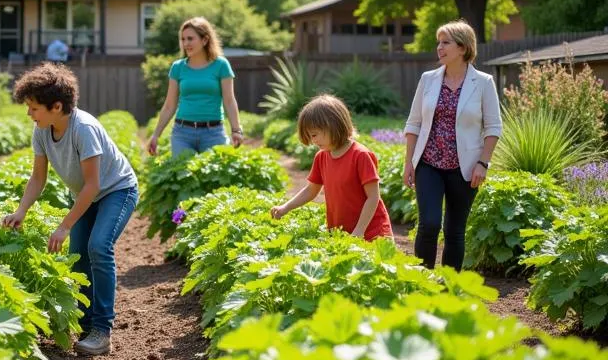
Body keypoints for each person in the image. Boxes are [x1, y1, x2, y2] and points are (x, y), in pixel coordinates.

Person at [0, 63, 138, 357]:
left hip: (117, 190)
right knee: (78, 257)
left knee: (99, 247)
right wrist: (20, 210)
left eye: (34, 108)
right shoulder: (42, 130)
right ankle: (87, 328)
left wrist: (64, 225)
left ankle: (102, 330)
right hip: (87, 195)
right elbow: (38, 177)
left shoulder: (83, 129)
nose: (29, 114)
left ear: (57, 106)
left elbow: (93, 185)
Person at [403, 20, 502, 270]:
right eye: (439, 42)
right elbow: (413, 124)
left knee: (454, 231)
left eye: (445, 42)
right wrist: (409, 163)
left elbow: (493, 128)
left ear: (463, 47)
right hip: (429, 164)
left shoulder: (483, 82)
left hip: (465, 168)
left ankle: (450, 290)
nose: (439, 47)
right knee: (429, 224)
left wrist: (483, 162)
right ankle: (422, 284)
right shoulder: (428, 79)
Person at [271, 94, 393, 241]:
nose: (313, 141)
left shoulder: (360, 155)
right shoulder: (321, 157)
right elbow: (311, 190)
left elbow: (373, 197)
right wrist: (285, 208)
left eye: (314, 135)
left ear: (333, 125)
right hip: (342, 233)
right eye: (310, 136)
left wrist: (359, 231)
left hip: (372, 233)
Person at [147, 17, 242, 156]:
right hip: (182, 134)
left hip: (214, 133)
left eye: (190, 39)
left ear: (205, 40)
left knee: (213, 176)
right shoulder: (177, 67)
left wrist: (236, 130)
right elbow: (169, 105)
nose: (186, 44)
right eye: (183, 39)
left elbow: (229, 100)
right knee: (183, 176)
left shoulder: (221, 65)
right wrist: (156, 135)